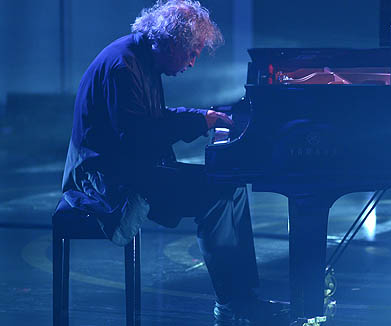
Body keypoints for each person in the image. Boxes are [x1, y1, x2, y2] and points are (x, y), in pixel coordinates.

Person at [60, 1, 286, 324]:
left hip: (131, 167)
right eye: (191, 52)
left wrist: (201, 117)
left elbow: (148, 124)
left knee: (232, 185)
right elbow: (138, 138)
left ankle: (245, 297)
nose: (193, 62)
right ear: (168, 43)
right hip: (106, 182)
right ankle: (231, 306)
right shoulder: (123, 68)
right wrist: (197, 123)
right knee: (217, 194)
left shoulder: (142, 60)